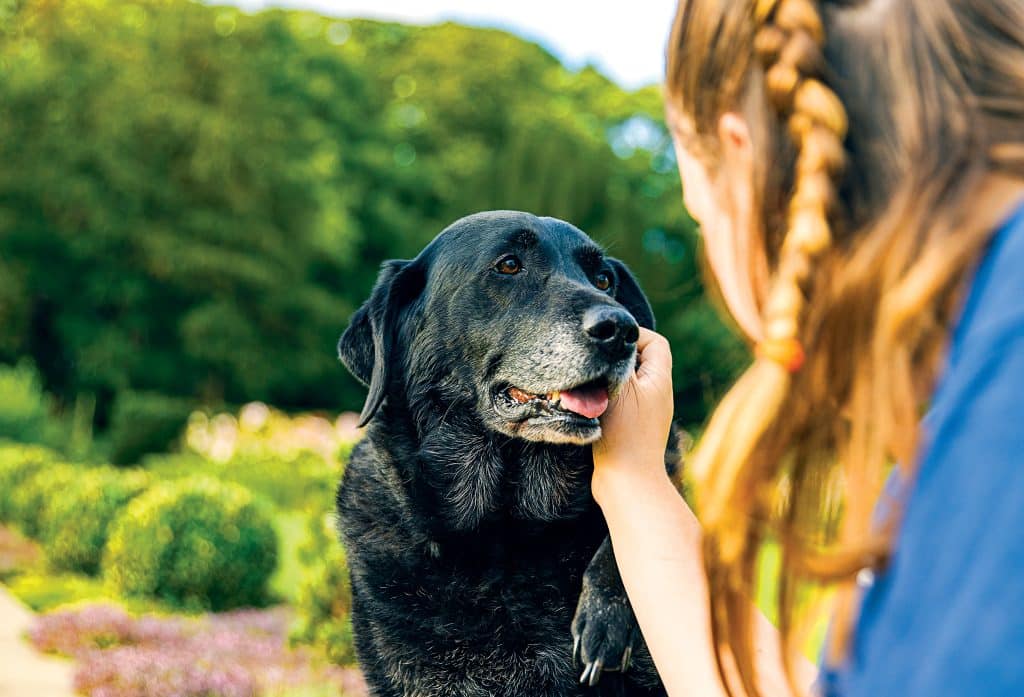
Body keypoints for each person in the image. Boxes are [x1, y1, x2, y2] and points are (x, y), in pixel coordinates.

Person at [591, 1, 1024, 695]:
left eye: (701, 216)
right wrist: (634, 480)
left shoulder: (997, 433)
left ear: (742, 156)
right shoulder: (979, 382)